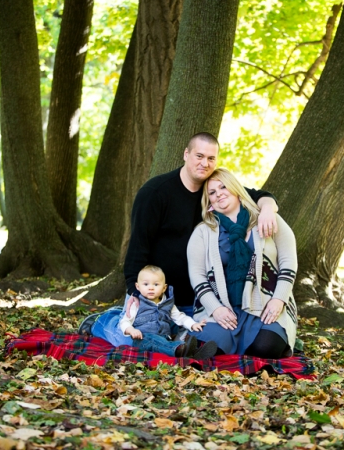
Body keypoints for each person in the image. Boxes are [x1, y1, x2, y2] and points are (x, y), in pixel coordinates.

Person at [86, 132, 279, 346]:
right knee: (138, 338)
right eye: (199, 156)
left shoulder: (215, 192)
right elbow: (138, 247)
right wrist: (134, 290)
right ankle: (105, 322)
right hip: (157, 296)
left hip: (199, 300)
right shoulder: (155, 193)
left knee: (193, 338)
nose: (205, 163)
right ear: (186, 154)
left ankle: (172, 340)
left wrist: (268, 208)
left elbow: (256, 195)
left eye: (211, 158)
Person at [187, 168, 298, 359]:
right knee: (206, 345)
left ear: (236, 189)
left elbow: (289, 262)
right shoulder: (203, 231)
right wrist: (216, 309)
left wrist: (279, 299)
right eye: (212, 193)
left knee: (265, 347)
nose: (218, 193)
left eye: (223, 187)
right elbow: (197, 275)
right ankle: (206, 344)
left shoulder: (267, 219)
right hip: (224, 307)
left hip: (265, 304)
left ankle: (244, 343)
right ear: (209, 201)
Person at [119, 265, 217, 360]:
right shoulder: (137, 304)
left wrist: (193, 324)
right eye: (146, 284)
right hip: (143, 340)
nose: (151, 288)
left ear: (164, 288)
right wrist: (131, 330)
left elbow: (180, 317)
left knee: (166, 342)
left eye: (156, 284)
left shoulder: (168, 304)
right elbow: (125, 322)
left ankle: (193, 353)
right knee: (150, 339)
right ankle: (181, 350)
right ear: (138, 286)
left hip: (165, 340)